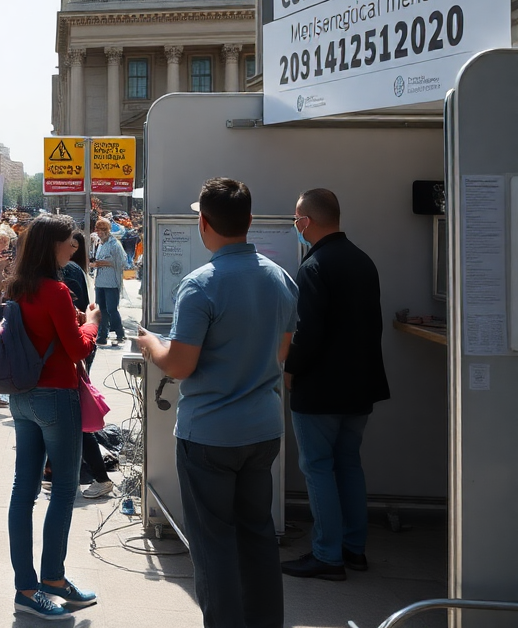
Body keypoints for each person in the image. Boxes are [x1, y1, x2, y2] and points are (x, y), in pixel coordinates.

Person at [136, 178, 298, 628]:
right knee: (258, 534)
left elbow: (181, 365)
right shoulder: (280, 277)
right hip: (263, 429)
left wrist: (152, 344)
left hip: (209, 434)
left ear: (203, 223)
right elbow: (281, 352)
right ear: (249, 221)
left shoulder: (200, 284)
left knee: (214, 546)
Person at [281, 189, 390, 580]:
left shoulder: (314, 266)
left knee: (318, 468)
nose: (296, 225)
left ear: (306, 222)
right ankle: (353, 548)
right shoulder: (363, 261)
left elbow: (308, 332)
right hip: (360, 386)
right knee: (349, 464)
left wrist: (291, 369)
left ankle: (327, 556)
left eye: (296, 218)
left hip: (321, 389)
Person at [0, 216, 101, 619]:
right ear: (51, 246)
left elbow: (42, 333)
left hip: (22, 396)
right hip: (56, 395)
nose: (73, 249)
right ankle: (50, 580)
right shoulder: (56, 289)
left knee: (22, 492)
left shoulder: (17, 287)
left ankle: (29, 585)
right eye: (68, 244)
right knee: (62, 490)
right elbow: (77, 350)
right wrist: (91, 324)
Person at [59, 230, 113, 499]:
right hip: (56, 368)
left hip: (64, 363)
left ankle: (96, 475)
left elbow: (78, 340)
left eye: (73, 244)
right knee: (73, 419)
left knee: (77, 419)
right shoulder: (54, 277)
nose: (72, 249)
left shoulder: (63, 275)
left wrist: (90, 323)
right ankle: (67, 472)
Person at [90, 218, 128, 346]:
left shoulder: (115, 244)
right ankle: (102, 336)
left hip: (111, 282)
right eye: (98, 230)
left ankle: (119, 333)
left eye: (102, 230)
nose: (99, 233)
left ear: (107, 231)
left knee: (112, 309)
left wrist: (103, 263)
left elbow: (122, 262)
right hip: (100, 281)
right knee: (102, 310)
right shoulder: (100, 244)